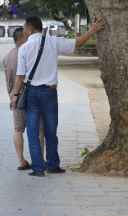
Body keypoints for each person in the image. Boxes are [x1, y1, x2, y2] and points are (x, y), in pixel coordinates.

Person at [12, 16, 107, 176]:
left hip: (32, 94)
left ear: (29, 30)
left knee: (33, 132)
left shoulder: (24, 48)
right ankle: (53, 165)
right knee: (50, 130)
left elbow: (20, 76)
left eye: (24, 29)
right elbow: (76, 43)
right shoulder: (53, 42)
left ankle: (37, 168)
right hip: (50, 92)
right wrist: (92, 30)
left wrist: (15, 95)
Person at [4, 27, 44, 170]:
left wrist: (12, 96)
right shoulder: (27, 52)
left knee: (18, 128)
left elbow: (7, 80)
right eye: (27, 37)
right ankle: (40, 160)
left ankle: (21, 160)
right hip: (31, 94)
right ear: (21, 39)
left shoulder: (8, 56)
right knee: (39, 128)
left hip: (15, 96)